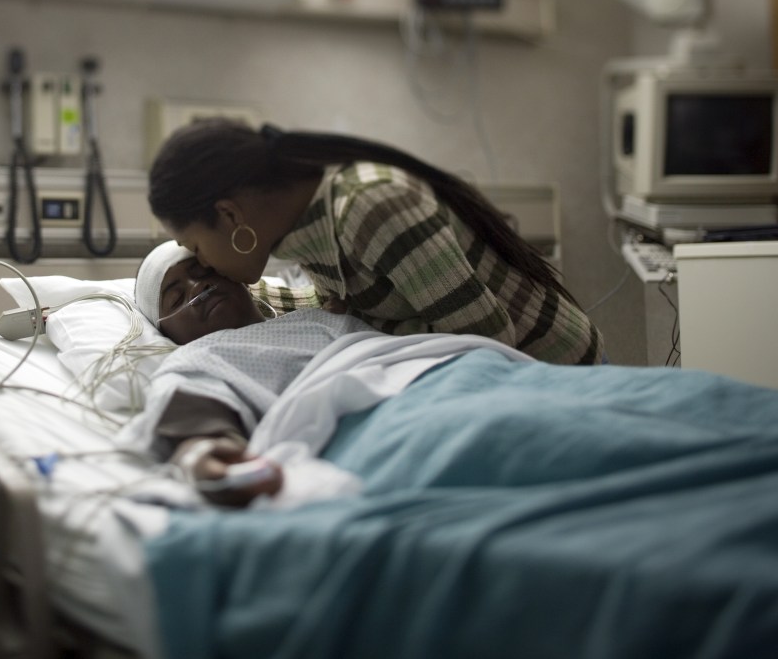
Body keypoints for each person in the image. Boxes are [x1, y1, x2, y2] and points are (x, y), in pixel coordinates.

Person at [147, 118, 606, 365]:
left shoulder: (370, 207)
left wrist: (369, 326)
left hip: (559, 366)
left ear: (229, 214)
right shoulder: (302, 227)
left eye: (197, 249)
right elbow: (321, 304)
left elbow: (487, 339)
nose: (204, 265)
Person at [123, 240, 378, 507]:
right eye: (176, 298)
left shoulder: (316, 318)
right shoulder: (197, 358)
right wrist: (203, 455)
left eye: (205, 274)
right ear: (166, 331)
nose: (198, 287)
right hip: (366, 426)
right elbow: (195, 421)